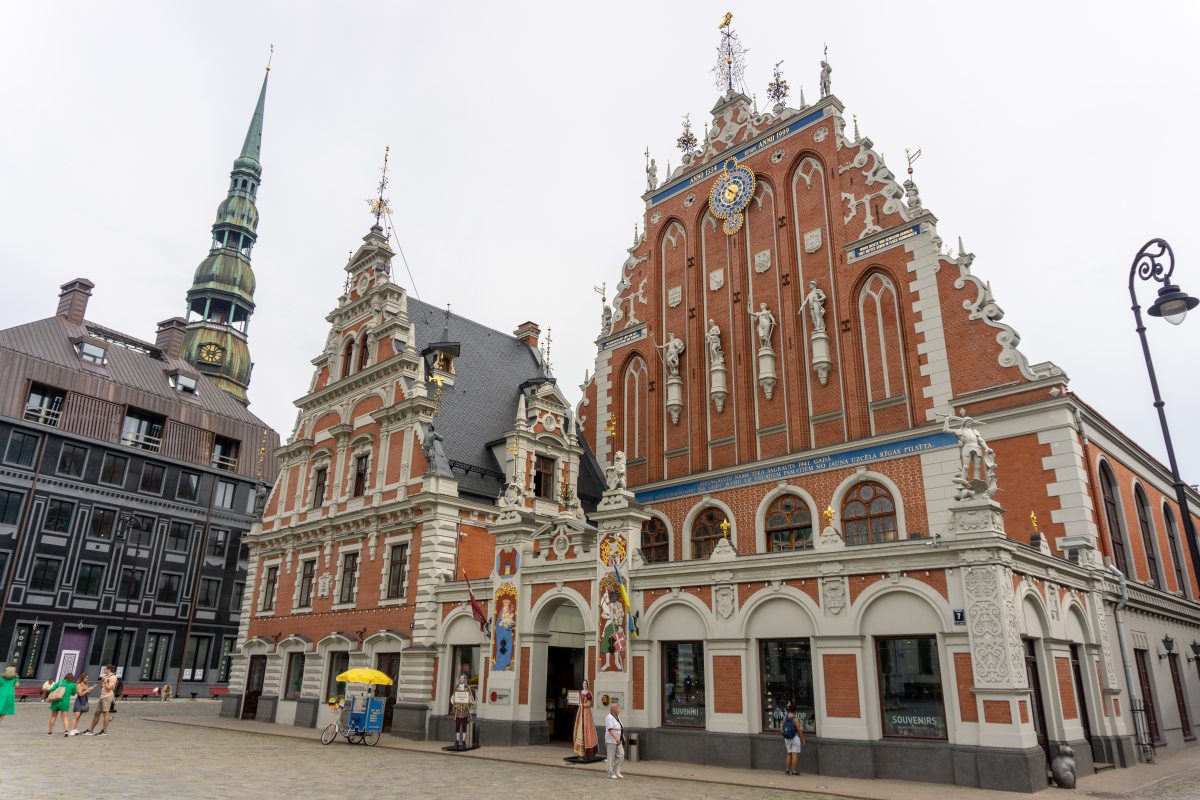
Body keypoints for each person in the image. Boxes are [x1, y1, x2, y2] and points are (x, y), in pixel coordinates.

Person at [82, 665, 117, 736]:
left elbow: (109, 688)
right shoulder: (105, 677)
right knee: (97, 713)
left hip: (107, 696)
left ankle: (104, 731)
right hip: (102, 696)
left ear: (109, 669)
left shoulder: (113, 677)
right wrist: (102, 681)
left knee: (105, 713)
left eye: (105, 669)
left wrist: (106, 681)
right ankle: (91, 730)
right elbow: (101, 687)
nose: (104, 670)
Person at [572, 679, 598, 760]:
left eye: (585, 683)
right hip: (580, 713)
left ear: (587, 685)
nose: (584, 685)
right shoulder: (580, 693)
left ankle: (587, 753)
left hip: (586, 713)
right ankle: (581, 752)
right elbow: (578, 701)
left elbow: (589, 704)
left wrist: (582, 705)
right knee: (579, 730)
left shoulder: (589, 694)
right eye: (583, 683)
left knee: (587, 731)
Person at [46, 672, 78, 736]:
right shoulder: (73, 685)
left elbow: (52, 689)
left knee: (53, 716)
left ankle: (49, 732)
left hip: (56, 701)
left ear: (65, 677)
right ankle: (66, 730)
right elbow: (74, 693)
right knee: (65, 717)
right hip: (65, 702)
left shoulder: (60, 682)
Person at [449, 673, 474, 750]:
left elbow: (471, 698)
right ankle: (457, 741)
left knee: (464, 727)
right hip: (458, 711)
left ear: (465, 679)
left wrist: (468, 702)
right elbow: (452, 698)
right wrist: (454, 702)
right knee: (457, 726)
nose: (462, 680)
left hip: (465, 711)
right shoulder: (456, 687)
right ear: (459, 679)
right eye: (461, 678)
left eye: (463, 678)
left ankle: (463, 741)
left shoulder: (468, 688)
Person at [782, 703, 805, 775]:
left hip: (787, 738)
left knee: (789, 754)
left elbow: (782, 727)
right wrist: (802, 739)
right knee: (794, 754)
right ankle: (794, 771)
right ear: (795, 710)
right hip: (795, 737)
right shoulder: (795, 719)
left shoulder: (785, 718)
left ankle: (787, 770)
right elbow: (799, 730)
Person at [604, 702, 624, 780]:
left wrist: (623, 736)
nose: (619, 709)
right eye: (618, 708)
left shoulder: (617, 716)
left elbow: (620, 727)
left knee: (621, 755)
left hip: (618, 740)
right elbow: (610, 729)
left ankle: (616, 770)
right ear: (613, 709)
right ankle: (610, 773)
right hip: (611, 740)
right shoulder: (609, 717)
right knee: (611, 758)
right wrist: (616, 737)